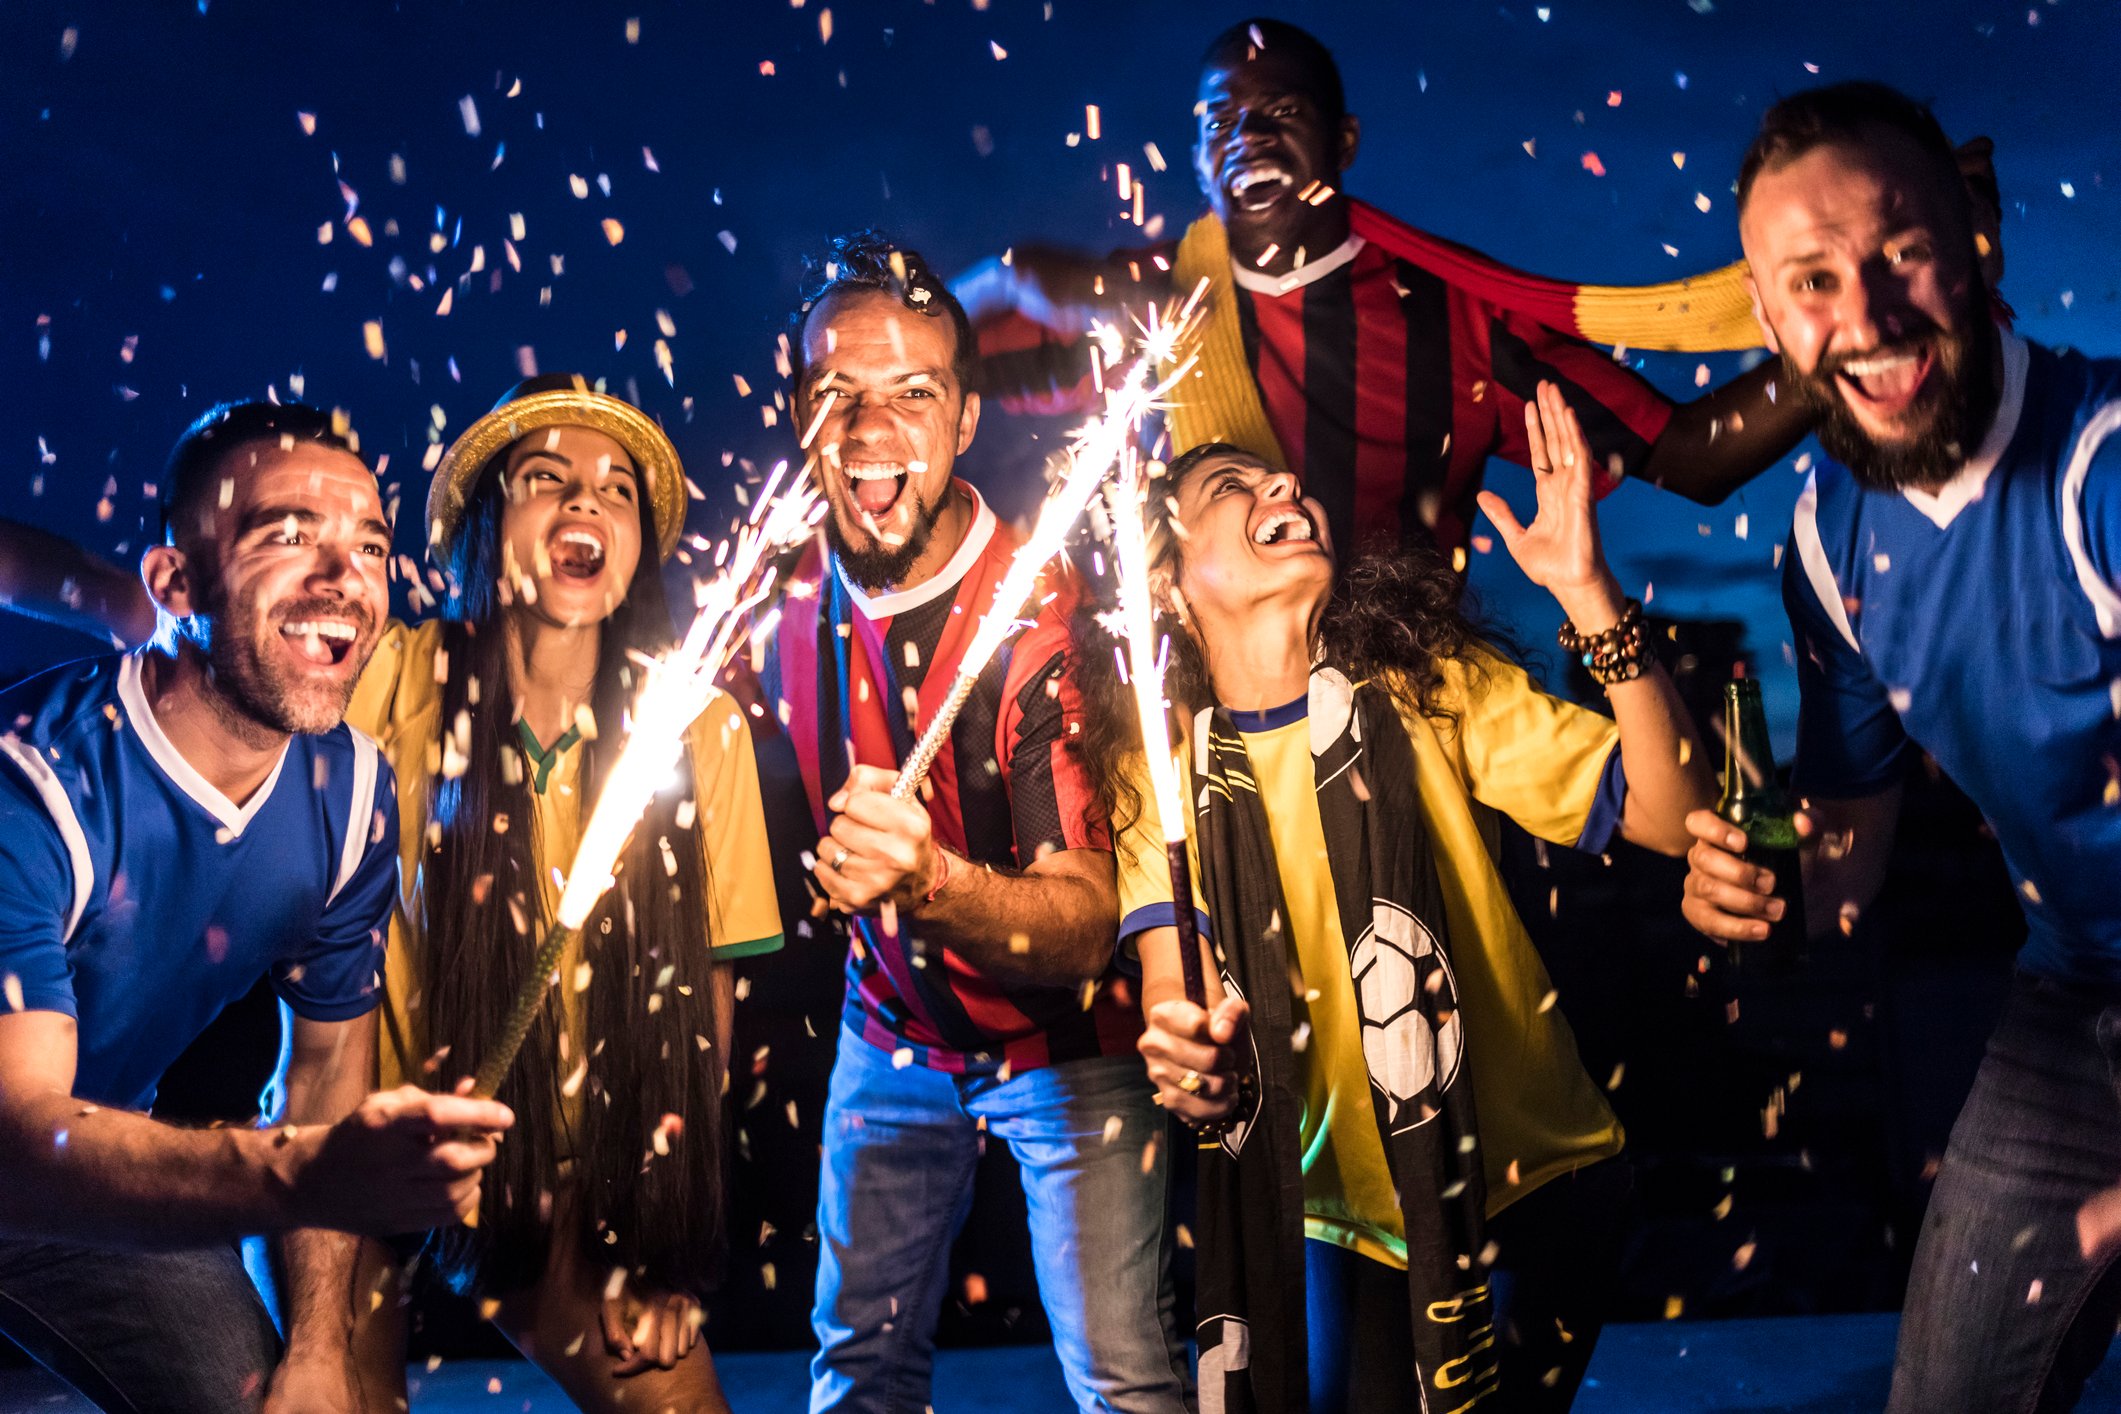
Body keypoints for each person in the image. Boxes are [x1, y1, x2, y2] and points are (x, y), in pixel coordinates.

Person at [1081, 382, 1713, 1410]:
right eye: (1230, 487)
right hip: (1336, 1215)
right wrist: (1186, 1053)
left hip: (1530, 1185)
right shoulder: (1157, 767)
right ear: (1162, 580)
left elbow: (1675, 813)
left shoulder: (1430, 683)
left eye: (1278, 474)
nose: (1284, 482)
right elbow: (1171, 982)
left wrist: (1591, 597)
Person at [1679, 82, 2121, 1413]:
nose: (1862, 320)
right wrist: (1738, 887)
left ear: (1975, 243)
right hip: (2073, 1007)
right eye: (1810, 281)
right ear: (1766, 318)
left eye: (1900, 254)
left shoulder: (2101, 465)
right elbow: (1843, 870)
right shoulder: (1825, 547)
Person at [738, 233, 1187, 1412]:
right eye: (838, 394)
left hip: (1065, 1054)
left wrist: (927, 877)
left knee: (1126, 1383)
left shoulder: (1042, 614)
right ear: (797, 412)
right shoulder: (774, 597)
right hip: (885, 1034)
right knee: (859, 1371)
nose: (872, 433)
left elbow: (1089, 929)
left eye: (912, 395)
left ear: (967, 417)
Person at [0, 400, 513, 1413]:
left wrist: (321, 1346)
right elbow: (18, 1143)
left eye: (368, 543)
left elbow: (323, 1075)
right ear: (174, 583)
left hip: (86, 1192)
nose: (344, 578)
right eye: (287, 534)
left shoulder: (352, 793)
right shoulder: (37, 786)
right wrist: (302, 1176)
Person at [955, 17, 1813, 560]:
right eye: (1219, 120)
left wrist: (1849, 335)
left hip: (1410, 734)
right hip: (1215, 754)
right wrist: (1006, 272)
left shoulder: (1458, 316)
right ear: (1191, 159)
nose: (1246, 137)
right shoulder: (1151, 304)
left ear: (1345, 142)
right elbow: (920, 364)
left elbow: (1692, 457)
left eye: (1281, 113)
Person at [343, 375, 785, 1412]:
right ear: (488, 523)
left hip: (563, 1181)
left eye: (616, 490)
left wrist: (656, 1244)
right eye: (546, 479)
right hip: (360, 1148)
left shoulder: (699, 725)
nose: (585, 504)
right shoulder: (396, 677)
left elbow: (705, 1028)